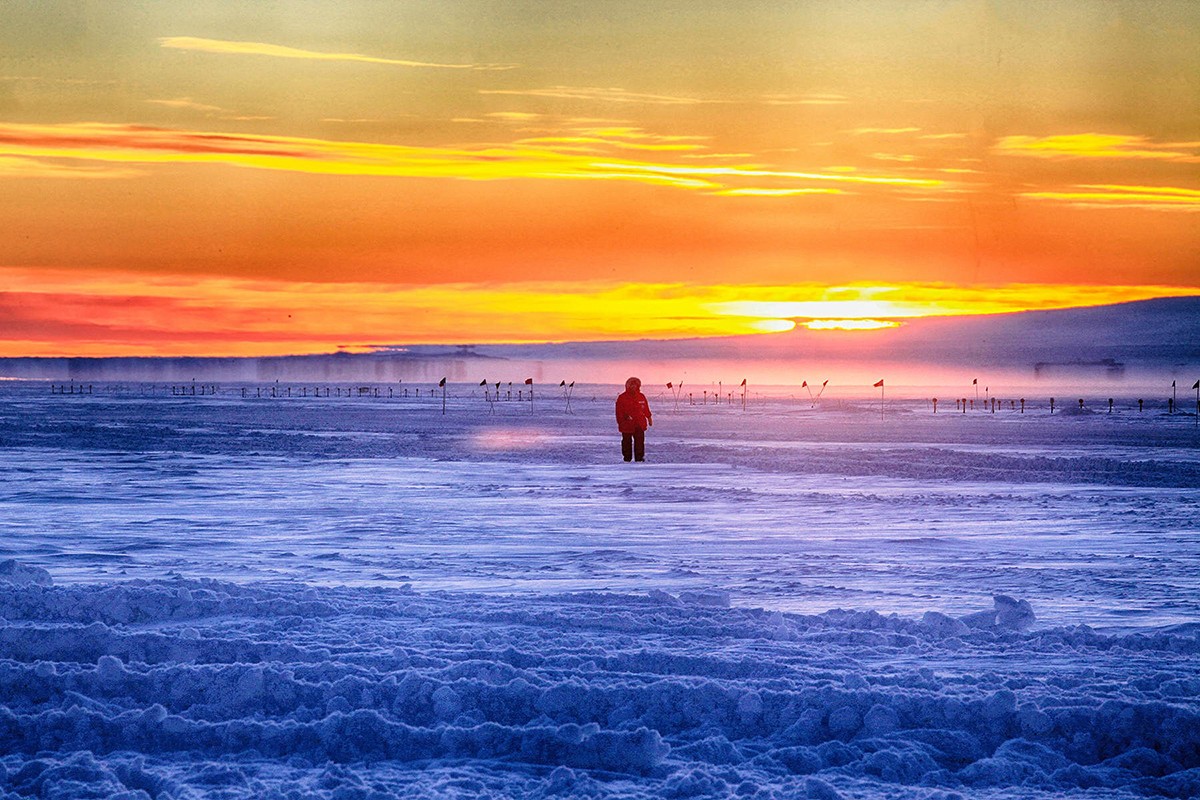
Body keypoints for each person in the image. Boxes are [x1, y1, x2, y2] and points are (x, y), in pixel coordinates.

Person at [615, 376, 652, 462]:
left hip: (639, 424)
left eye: (635, 385)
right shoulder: (622, 397)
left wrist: (649, 417)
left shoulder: (641, 396)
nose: (633, 387)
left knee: (639, 442)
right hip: (627, 425)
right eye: (632, 385)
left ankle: (639, 458)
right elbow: (619, 412)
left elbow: (645, 408)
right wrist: (622, 421)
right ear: (628, 386)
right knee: (626, 442)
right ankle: (627, 459)